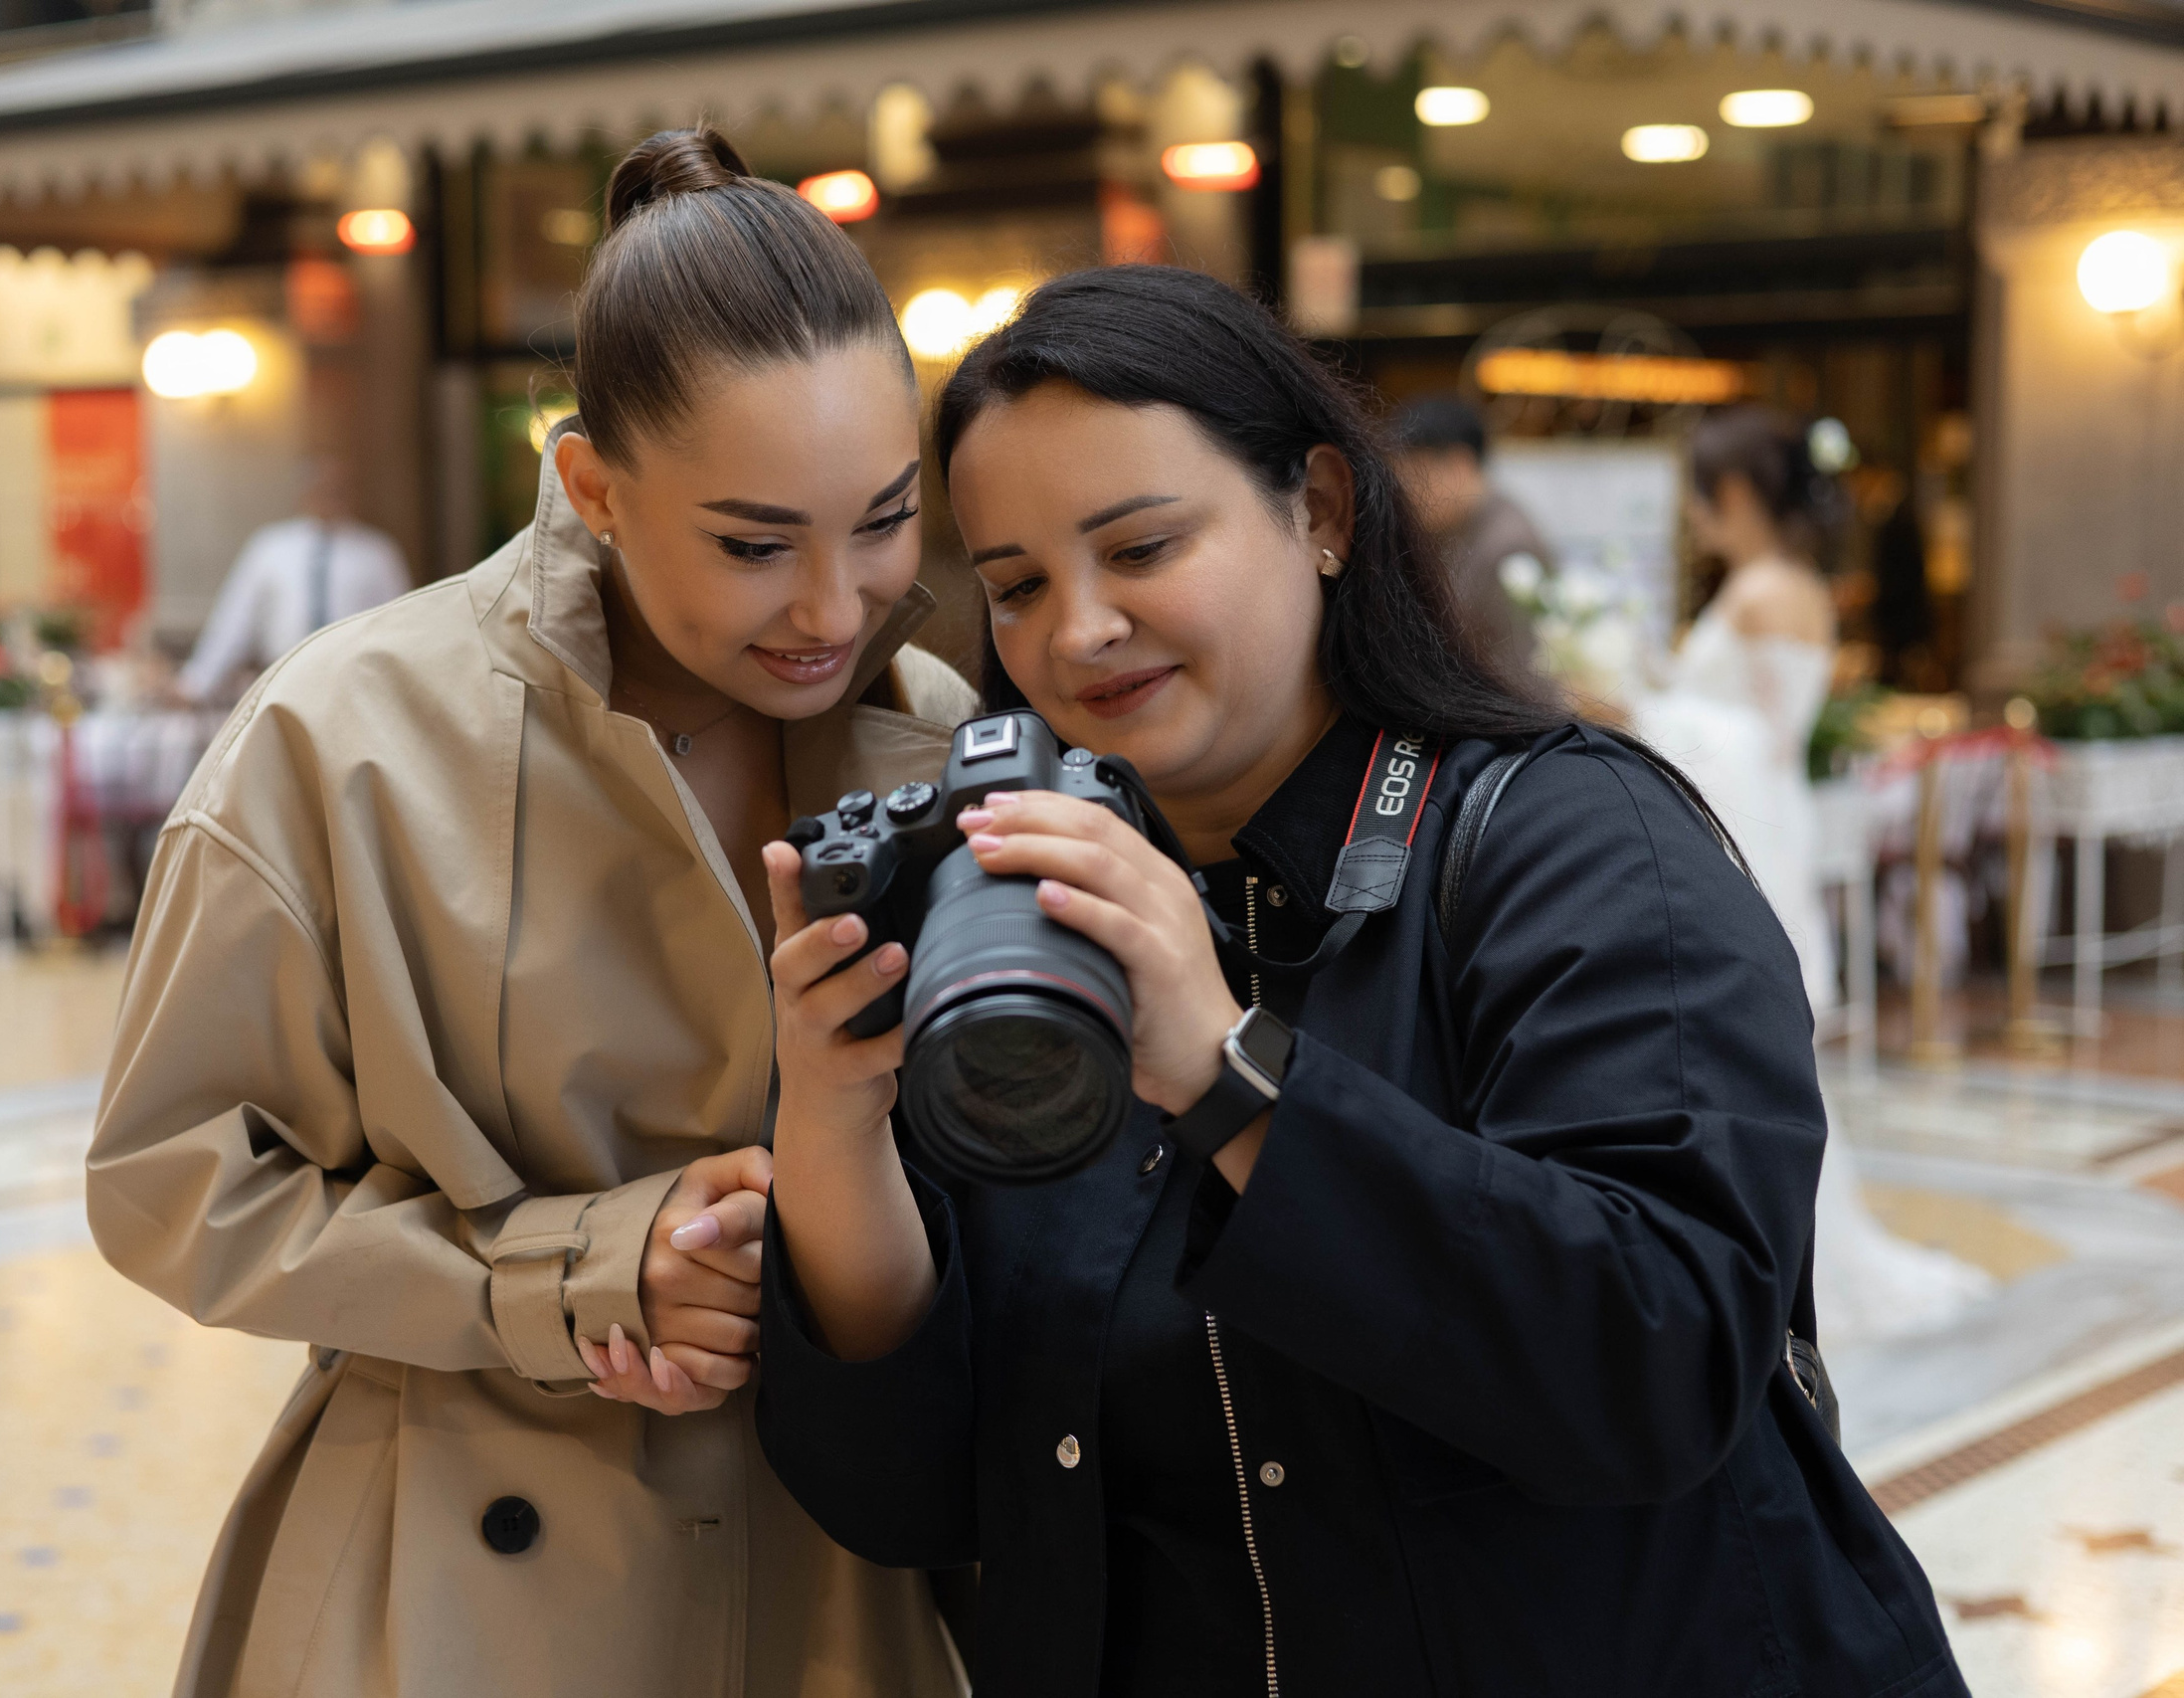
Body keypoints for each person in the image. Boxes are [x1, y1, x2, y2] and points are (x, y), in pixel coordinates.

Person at [737, 268, 1965, 1698]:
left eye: (1140, 547)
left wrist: (1228, 1067)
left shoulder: (1572, 841)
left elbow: (1660, 1355)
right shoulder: (1028, 921)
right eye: (1015, 584)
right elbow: (913, 1496)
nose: (1076, 631)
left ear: (1320, 508)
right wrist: (827, 1118)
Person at [89, 127, 972, 1698]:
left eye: (888, 518)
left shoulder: (933, 718)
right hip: (462, 1593)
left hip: (851, 1566)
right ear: (592, 484)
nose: (836, 608)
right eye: (756, 543)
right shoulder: (344, 735)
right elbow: (172, 1180)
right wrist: (568, 1267)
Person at [1639, 406, 1990, 1348]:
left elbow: (1763, 737)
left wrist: (1640, 707)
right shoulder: (1791, 582)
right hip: (1772, 817)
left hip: (1755, 819)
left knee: (1763, 1047)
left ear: (1739, 493)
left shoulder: (1760, 591)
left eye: (1704, 495)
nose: (1697, 514)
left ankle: (1795, 1260)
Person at [174, 457, 413, 705]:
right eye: (321, 488)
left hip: (353, 686)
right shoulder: (270, 546)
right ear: (306, 493)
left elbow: (397, 624)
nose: (329, 497)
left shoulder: (377, 553)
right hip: (282, 681)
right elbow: (235, 619)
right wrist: (195, 683)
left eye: (337, 490)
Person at [1392, 391, 1552, 679]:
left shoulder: (1508, 545)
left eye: (1416, 476)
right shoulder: (1456, 525)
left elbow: (1520, 672)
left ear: (1459, 465)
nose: (1408, 493)